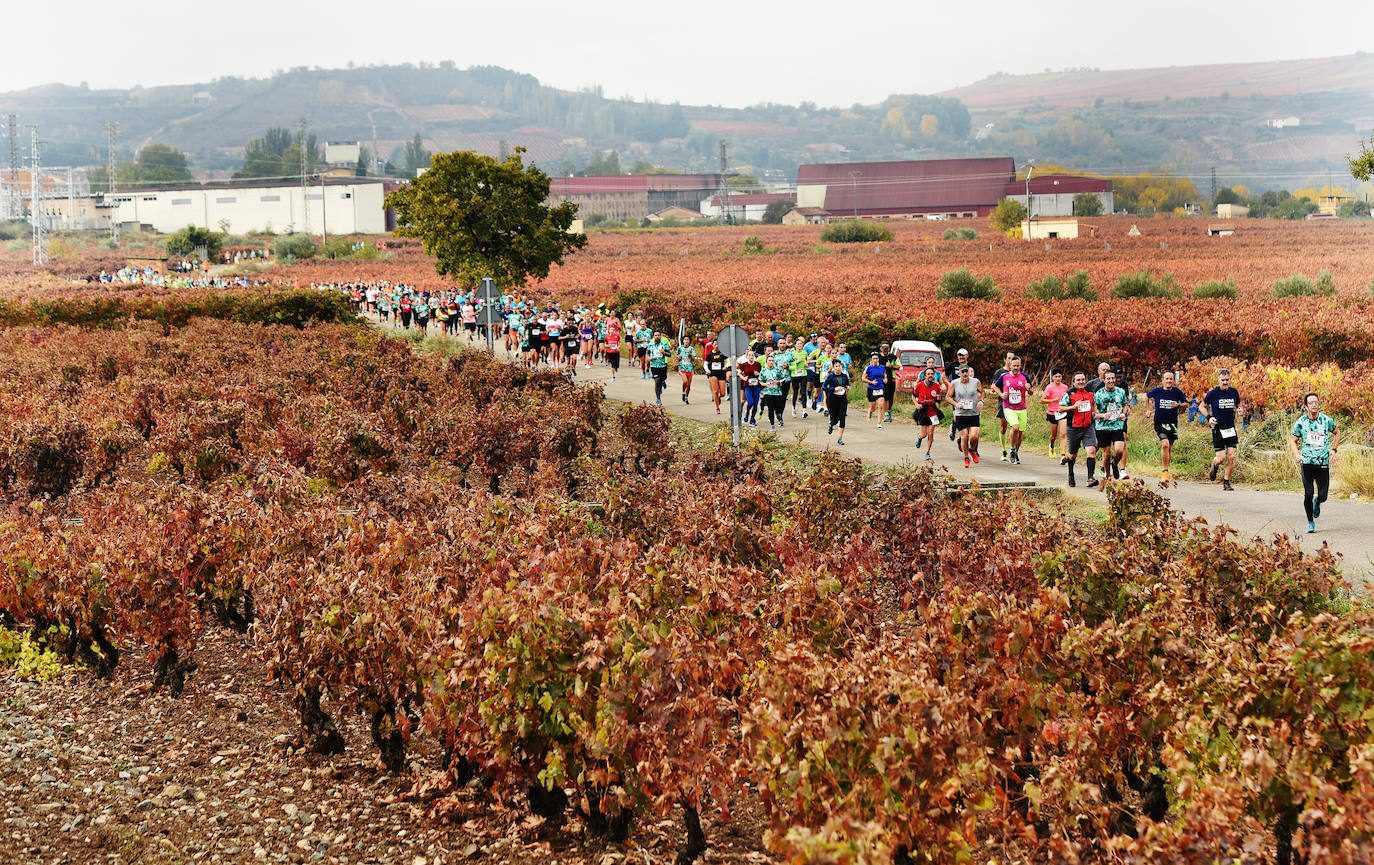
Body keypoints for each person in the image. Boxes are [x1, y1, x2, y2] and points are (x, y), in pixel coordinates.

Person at [1290, 392, 1340, 533]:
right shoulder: (1301, 422)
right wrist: (1297, 454)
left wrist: (1334, 449)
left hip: (1323, 462)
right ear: (1306, 406)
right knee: (1308, 492)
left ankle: (1317, 502)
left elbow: (1337, 432)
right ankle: (1310, 522)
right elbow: (1293, 440)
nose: (1314, 405)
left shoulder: (1326, 420)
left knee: (1323, 496)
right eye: (1311, 403)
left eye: (1316, 402)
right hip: (1307, 463)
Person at [1201, 369, 1243, 491]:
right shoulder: (1213, 393)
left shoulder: (1234, 392)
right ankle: (1214, 465)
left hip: (1231, 429)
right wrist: (1209, 417)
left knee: (1231, 456)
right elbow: (1201, 406)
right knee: (1221, 458)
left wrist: (1240, 411)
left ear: (1230, 380)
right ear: (1219, 380)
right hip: (1218, 429)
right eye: (1222, 380)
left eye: (1227, 380)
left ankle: (1226, 482)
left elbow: (1238, 406)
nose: (1225, 382)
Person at [1146, 371, 1188, 483]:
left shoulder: (1177, 392)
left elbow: (1186, 404)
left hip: (1172, 423)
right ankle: (1165, 471)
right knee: (1164, 444)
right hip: (1159, 422)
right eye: (1167, 379)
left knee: (1169, 448)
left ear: (1173, 380)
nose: (1169, 381)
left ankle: (1166, 469)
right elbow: (1147, 396)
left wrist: (1178, 405)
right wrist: (1148, 409)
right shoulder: (1157, 391)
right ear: (1163, 380)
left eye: (1171, 379)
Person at [1059, 372, 1100, 488]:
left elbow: (1094, 405)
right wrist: (1073, 407)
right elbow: (1060, 408)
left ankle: (1090, 478)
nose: (1081, 382)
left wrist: (1094, 413)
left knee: (1091, 450)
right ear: (1073, 382)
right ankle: (1071, 474)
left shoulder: (1091, 393)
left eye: (1083, 379)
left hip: (1088, 427)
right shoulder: (1069, 394)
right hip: (1073, 428)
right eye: (1078, 380)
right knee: (1072, 455)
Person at [992, 355, 1030, 464]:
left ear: (1020, 366)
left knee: (1020, 432)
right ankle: (1012, 449)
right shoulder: (1004, 377)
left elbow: (1031, 391)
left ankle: (1015, 453)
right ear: (1010, 365)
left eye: (1018, 365)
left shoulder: (1025, 377)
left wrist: (1029, 389)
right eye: (1014, 365)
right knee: (1015, 427)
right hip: (1008, 407)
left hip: (1022, 407)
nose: (1016, 367)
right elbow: (994, 386)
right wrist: (1001, 394)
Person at [1093, 370, 1130, 481]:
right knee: (1107, 454)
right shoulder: (1098, 394)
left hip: (1117, 425)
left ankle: (1114, 464)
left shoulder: (1121, 391)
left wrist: (1124, 413)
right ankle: (1108, 475)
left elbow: (1125, 406)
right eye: (1108, 378)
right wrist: (1103, 415)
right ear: (1104, 380)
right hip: (1102, 427)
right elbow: (1094, 414)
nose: (1111, 380)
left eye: (1112, 378)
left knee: (1119, 450)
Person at [945, 365, 983, 467]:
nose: (965, 374)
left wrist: (981, 401)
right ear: (959, 373)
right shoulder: (954, 383)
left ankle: (972, 450)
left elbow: (982, 392)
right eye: (963, 372)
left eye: (966, 371)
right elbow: (948, 397)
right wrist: (956, 404)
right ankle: (966, 458)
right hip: (961, 414)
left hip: (974, 413)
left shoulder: (976, 382)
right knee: (965, 436)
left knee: (974, 436)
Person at [912, 367, 945, 461]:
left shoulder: (936, 386)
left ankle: (927, 452)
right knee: (924, 434)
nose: (930, 375)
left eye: (932, 374)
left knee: (931, 433)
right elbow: (914, 396)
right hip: (922, 410)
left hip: (932, 411)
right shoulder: (919, 385)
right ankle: (919, 437)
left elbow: (938, 399)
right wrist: (916, 404)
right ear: (925, 376)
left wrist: (938, 402)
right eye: (928, 374)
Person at [990, 351, 1015, 460]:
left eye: (1013, 358)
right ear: (1005, 360)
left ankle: (1013, 450)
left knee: (1015, 426)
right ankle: (1004, 450)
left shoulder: (1017, 372)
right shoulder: (999, 372)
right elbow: (993, 386)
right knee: (1003, 427)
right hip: (1003, 402)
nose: (1011, 360)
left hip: (1015, 402)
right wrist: (1000, 393)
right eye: (1009, 358)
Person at [1041, 370, 1069, 462]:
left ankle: (1063, 455)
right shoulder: (1049, 387)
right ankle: (1051, 446)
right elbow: (1042, 400)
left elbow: (1068, 399)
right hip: (1052, 413)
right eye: (1056, 376)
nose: (1057, 378)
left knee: (1063, 434)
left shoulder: (1065, 387)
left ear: (1061, 377)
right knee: (1054, 435)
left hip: (1062, 413)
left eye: (1059, 376)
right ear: (1052, 377)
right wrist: (1052, 400)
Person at [822, 359, 851, 445]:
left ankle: (840, 438)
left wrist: (848, 386)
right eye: (836, 366)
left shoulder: (844, 376)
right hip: (832, 399)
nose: (838, 368)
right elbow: (824, 387)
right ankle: (831, 424)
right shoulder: (830, 376)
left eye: (839, 366)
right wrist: (834, 389)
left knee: (842, 418)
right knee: (834, 419)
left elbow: (847, 383)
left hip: (842, 399)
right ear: (833, 367)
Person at [947, 348, 970, 441]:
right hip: (956, 394)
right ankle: (954, 428)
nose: (961, 357)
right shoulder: (953, 365)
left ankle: (961, 435)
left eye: (962, 355)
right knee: (957, 415)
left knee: (966, 416)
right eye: (959, 355)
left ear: (967, 356)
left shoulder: (970, 366)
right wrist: (949, 385)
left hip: (968, 394)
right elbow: (944, 375)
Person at [761, 355, 787, 431]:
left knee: (778, 408)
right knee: (770, 408)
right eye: (769, 360)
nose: (771, 362)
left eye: (772, 360)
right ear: (766, 362)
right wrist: (765, 384)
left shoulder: (777, 370)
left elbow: (784, 379)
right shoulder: (763, 371)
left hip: (777, 393)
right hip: (767, 393)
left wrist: (778, 382)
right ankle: (772, 425)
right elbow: (760, 381)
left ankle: (779, 415)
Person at [738, 349, 762, 427]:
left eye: (752, 355)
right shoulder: (744, 364)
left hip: (756, 386)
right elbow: (739, 372)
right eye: (749, 355)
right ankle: (747, 413)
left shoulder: (758, 364)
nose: (751, 356)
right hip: (747, 385)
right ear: (747, 356)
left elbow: (762, 374)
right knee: (750, 402)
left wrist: (758, 374)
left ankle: (752, 419)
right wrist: (743, 378)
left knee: (755, 403)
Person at [788, 337, 809, 418]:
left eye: (801, 344)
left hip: (803, 374)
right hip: (795, 375)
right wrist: (796, 362)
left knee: (803, 392)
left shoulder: (805, 353)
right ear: (795, 345)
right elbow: (789, 365)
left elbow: (807, 361)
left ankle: (804, 410)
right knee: (795, 393)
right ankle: (793, 408)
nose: (800, 345)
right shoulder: (792, 354)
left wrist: (806, 364)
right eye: (798, 344)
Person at [864, 353, 887, 427]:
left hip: (880, 388)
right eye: (874, 358)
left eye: (876, 358)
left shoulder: (882, 367)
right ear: (871, 360)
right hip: (871, 389)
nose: (875, 360)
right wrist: (871, 382)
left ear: (878, 359)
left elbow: (884, 375)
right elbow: (863, 378)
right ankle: (870, 413)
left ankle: (879, 423)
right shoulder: (869, 368)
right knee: (873, 407)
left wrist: (885, 379)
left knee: (881, 406)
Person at [704, 343, 728, 414]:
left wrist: (726, 366)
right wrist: (707, 370)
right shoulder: (710, 354)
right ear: (713, 345)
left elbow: (728, 361)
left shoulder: (722, 353)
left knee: (723, 393)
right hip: (713, 374)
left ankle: (719, 397)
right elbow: (705, 364)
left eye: (718, 344)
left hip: (721, 374)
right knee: (715, 391)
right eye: (715, 344)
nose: (717, 346)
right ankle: (717, 408)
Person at [648, 331, 671, 404]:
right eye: (655, 335)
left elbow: (669, 354)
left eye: (658, 335)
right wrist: (648, 357)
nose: (657, 336)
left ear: (661, 336)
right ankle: (658, 398)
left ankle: (663, 382)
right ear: (653, 337)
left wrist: (664, 353)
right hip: (654, 366)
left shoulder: (664, 344)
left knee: (662, 379)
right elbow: (647, 353)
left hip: (662, 365)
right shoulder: (651, 344)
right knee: (657, 381)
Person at [879, 342, 899, 423]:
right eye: (883, 349)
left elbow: (899, 366)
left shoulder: (893, 357)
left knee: (890, 398)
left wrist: (891, 366)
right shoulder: (878, 357)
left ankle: (889, 412)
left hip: (891, 379)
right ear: (881, 349)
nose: (885, 350)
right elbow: (873, 365)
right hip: (881, 380)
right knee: (885, 397)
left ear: (889, 349)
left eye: (886, 349)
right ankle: (886, 414)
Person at [676, 336, 697, 405]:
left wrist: (690, 354)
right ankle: (683, 392)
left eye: (688, 339)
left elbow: (693, 359)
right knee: (685, 381)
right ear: (683, 341)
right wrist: (678, 357)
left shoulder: (691, 349)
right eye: (685, 339)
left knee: (688, 385)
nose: (686, 341)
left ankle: (686, 397)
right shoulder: (680, 348)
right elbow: (677, 357)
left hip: (689, 368)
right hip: (682, 367)